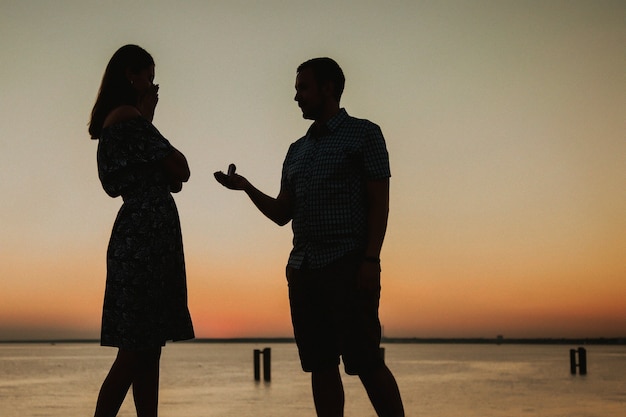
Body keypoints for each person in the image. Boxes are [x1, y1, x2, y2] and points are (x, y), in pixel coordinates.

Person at [214, 57, 404, 417]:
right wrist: (244, 187)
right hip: (303, 271)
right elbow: (282, 214)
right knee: (320, 364)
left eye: (303, 87)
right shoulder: (296, 151)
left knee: (365, 361)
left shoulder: (365, 134)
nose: (297, 97)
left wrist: (370, 260)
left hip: (348, 265)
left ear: (328, 88)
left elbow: (380, 204)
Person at [88, 44, 194, 417]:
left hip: (139, 232)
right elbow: (180, 170)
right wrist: (149, 119)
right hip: (145, 237)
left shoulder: (116, 125)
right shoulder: (129, 119)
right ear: (131, 75)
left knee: (147, 347)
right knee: (136, 349)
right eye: (148, 74)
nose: (153, 83)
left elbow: (170, 177)